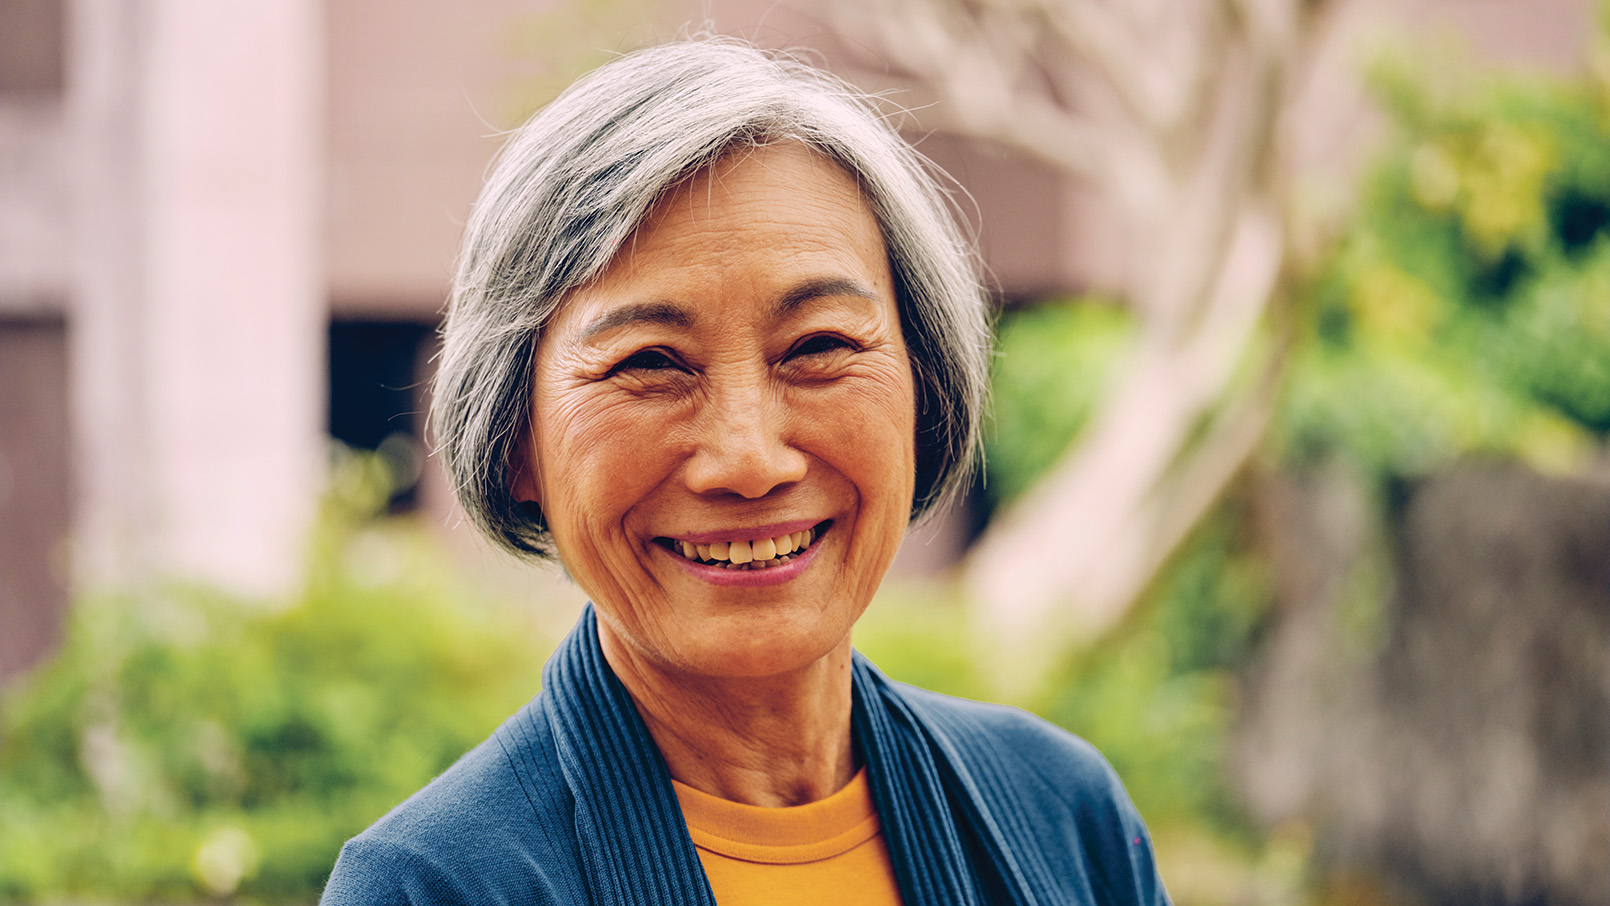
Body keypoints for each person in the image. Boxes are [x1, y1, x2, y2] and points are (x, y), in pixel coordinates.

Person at [321, 38, 1169, 906]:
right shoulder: (433, 886)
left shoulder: (1062, 819)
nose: (750, 459)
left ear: (926, 387)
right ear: (515, 444)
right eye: (650, 362)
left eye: (820, 347)